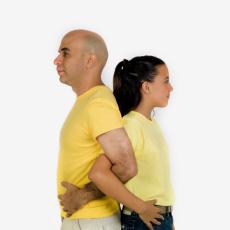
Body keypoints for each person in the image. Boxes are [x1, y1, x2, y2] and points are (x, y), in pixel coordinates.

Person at [54, 30, 162, 230]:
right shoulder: (87, 101)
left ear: (90, 61)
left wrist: (82, 196)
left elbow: (126, 166)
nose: (56, 60)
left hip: (93, 222)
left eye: (65, 53)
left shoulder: (98, 103)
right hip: (83, 221)